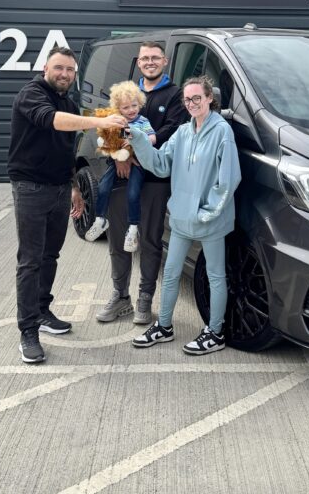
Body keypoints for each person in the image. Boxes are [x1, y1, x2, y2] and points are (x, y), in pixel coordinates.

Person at [8, 46, 127, 364]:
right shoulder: (32, 94)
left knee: (50, 256)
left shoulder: (69, 103)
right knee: (30, 261)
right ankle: (28, 331)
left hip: (60, 189)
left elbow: (64, 151)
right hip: (31, 188)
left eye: (70, 70)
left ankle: (42, 311)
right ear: (46, 68)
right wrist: (98, 121)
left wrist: (74, 187)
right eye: (59, 68)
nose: (64, 74)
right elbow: (53, 122)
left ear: (75, 74)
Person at [130, 75, 241, 355]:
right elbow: (160, 165)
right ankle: (164, 326)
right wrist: (139, 139)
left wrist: (208, 211)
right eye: (187, 99)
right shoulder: (182, 132)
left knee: (215, 276)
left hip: (210, 219)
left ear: (209, 99)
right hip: (181, 217)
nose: (191, 103)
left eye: (197, 98)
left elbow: (229, 178)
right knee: (170, 274)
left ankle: (215, 333)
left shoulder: (222, 131)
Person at [96, 41, 189, 325]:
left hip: (155, 180)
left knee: (149, 241)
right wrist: (119, 156)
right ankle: (120, 296)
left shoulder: (175, 95)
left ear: (165, 61)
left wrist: (137, 151)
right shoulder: (125, 92)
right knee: (117, 240)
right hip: (121, 174)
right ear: (138, 62)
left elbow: (171, 131)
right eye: (145, 58)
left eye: (155, 58)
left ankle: (145, 298)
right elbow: (109, 128)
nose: (150, 62)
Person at [85, 81, 156, 252]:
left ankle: (132, 229)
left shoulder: (142, 121)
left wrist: (138, 140)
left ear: (140, 104)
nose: (131, 110)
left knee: (133, 193)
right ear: (118, 108)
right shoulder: (117, 121)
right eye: (126, 107)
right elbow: (109, 141)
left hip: (138, 162)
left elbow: (153, 138)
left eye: (134, 105)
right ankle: (100, 220)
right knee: (102, 187)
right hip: (117, 158)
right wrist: (113, 148)